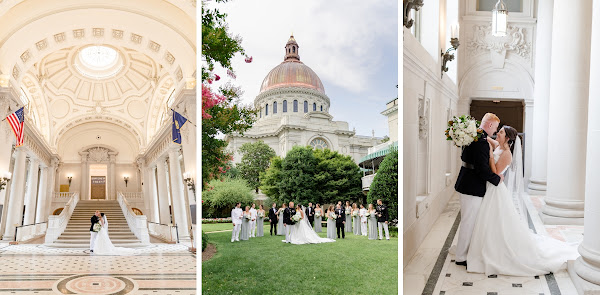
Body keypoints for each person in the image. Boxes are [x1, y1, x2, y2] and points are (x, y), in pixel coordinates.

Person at [466, 126, 579, 276]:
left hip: (496, 190)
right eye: (498, 131)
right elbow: (487, 139)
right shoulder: (498, 146)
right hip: (490, 188)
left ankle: (495, 248)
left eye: (500, 133)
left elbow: (495, 172)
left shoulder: (506, 154)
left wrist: (490, 157)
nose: (497, 134)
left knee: (494, 220)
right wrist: (473, 132)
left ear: (507, 138)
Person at [454, 113, 502, 266]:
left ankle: (464, 252)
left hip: (466, 182)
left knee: (469, 220)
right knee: (469, 222)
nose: (495, 131)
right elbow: (482, 169)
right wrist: (497, 179)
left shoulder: (474, 135)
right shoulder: (480, 141)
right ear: (489, 125)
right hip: (472, 186)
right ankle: (461, 256)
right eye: (495, 127)